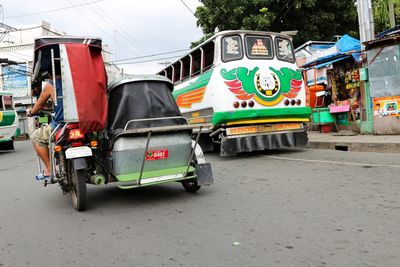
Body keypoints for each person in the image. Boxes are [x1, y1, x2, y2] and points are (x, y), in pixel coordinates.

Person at [27, 68, 63, 181]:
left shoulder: (50, 85)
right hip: (85, 123)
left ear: (50, 73)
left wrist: (31, 112)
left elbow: (38, 105)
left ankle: (49, 170)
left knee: (35, 136)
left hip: (60, 125)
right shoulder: (78, 80)